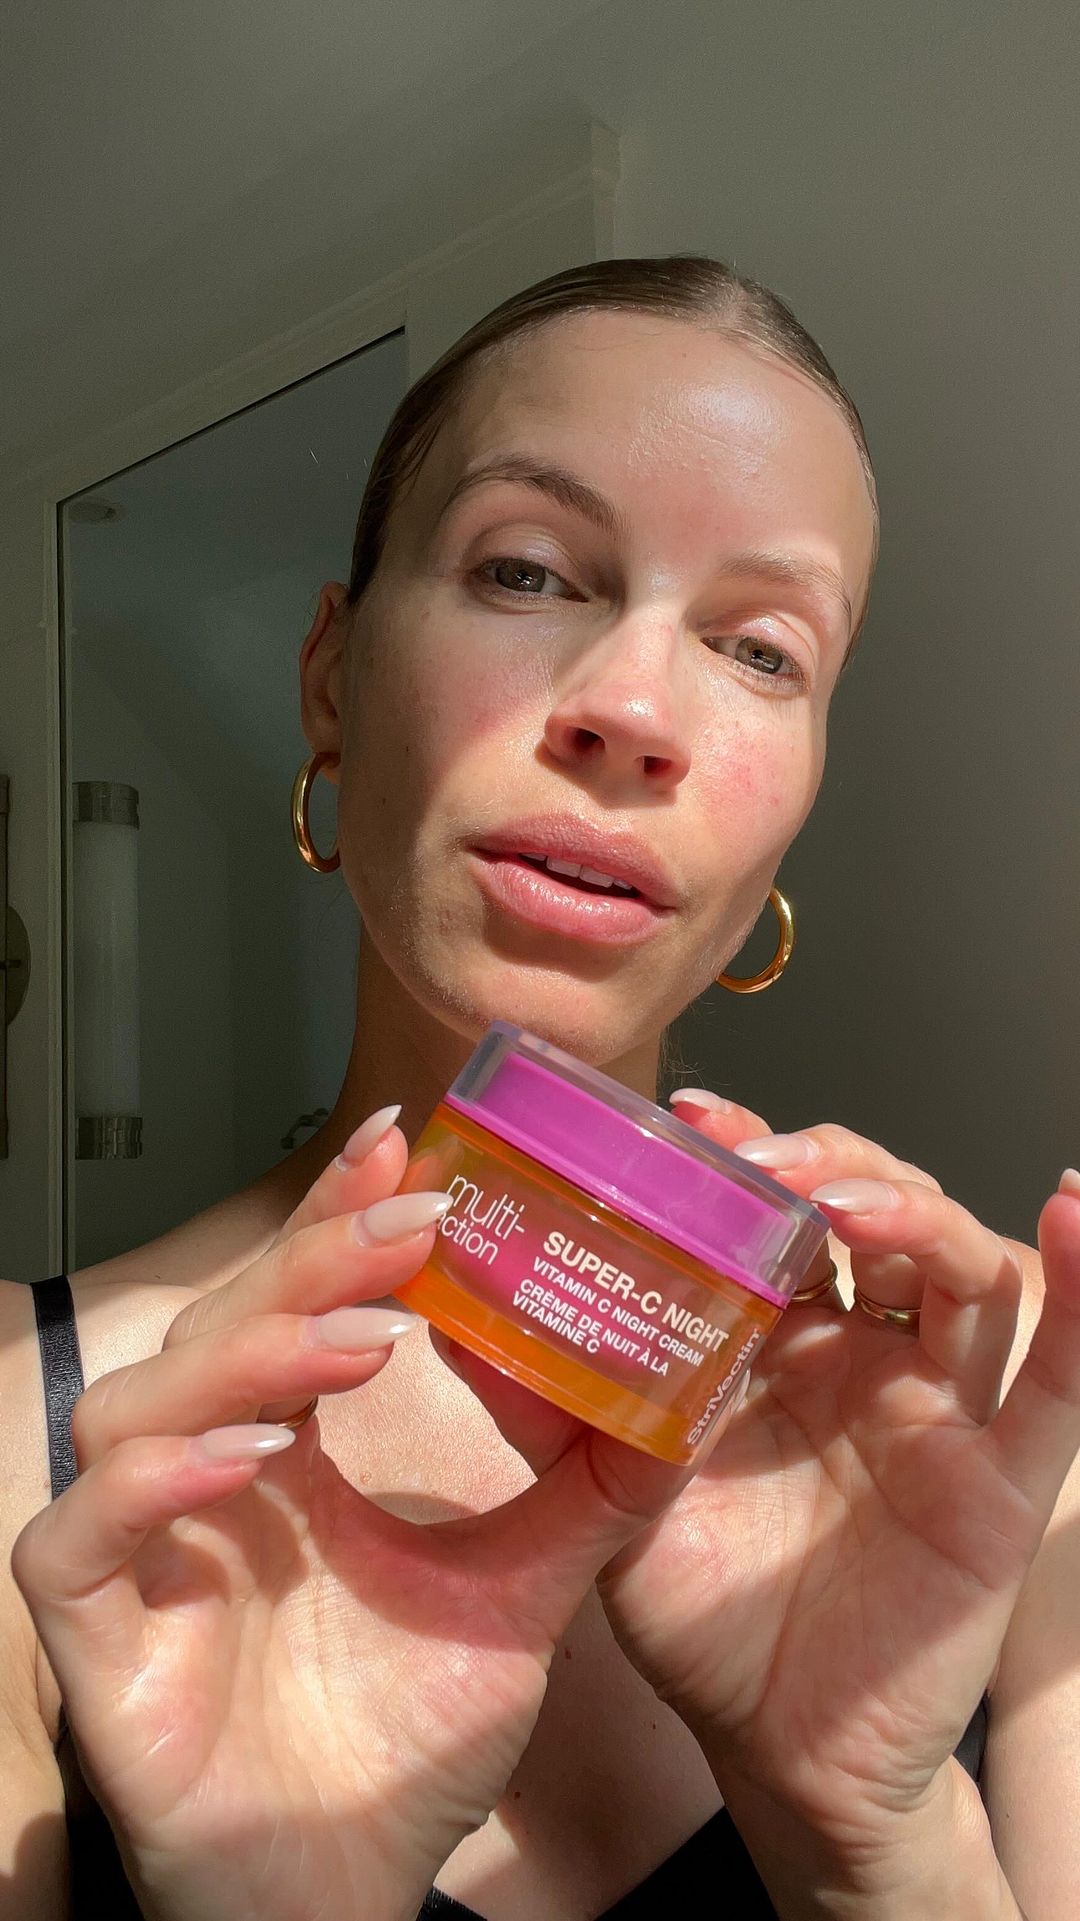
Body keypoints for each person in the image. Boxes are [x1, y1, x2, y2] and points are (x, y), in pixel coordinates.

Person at [2, 255, 1078, 1921]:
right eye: (525, 569)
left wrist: (880, 1848)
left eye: (762, 649)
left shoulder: (1016, 1424)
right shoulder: (22, 1440)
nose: (636, 713)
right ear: (332, 677)